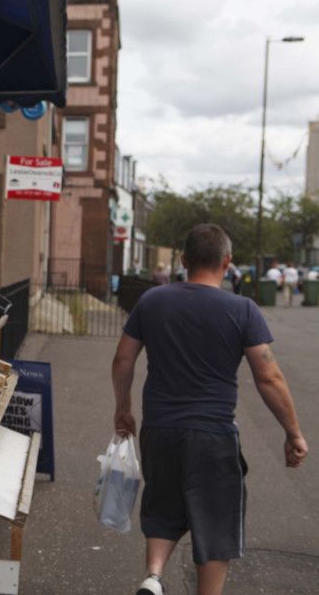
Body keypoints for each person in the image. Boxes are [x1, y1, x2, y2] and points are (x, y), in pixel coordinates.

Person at [111, 224, 308, 595]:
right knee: (216, 524)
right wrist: (292, 431)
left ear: (183, 261)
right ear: (227, 262)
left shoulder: (152, 301)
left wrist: (123, 408)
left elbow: (123, 359)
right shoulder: (242, 310)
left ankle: (153, 577)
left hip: (160, 428)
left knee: (163, 507)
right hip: (212, 434)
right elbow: (269, 378)